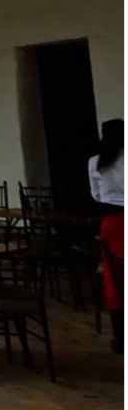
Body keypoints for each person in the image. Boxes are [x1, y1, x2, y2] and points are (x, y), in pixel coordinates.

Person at [89, 117, 124, 353]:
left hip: (110, 222)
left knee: (114, 278)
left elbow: (96, 195)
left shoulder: (95, 162)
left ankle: (121, 338)